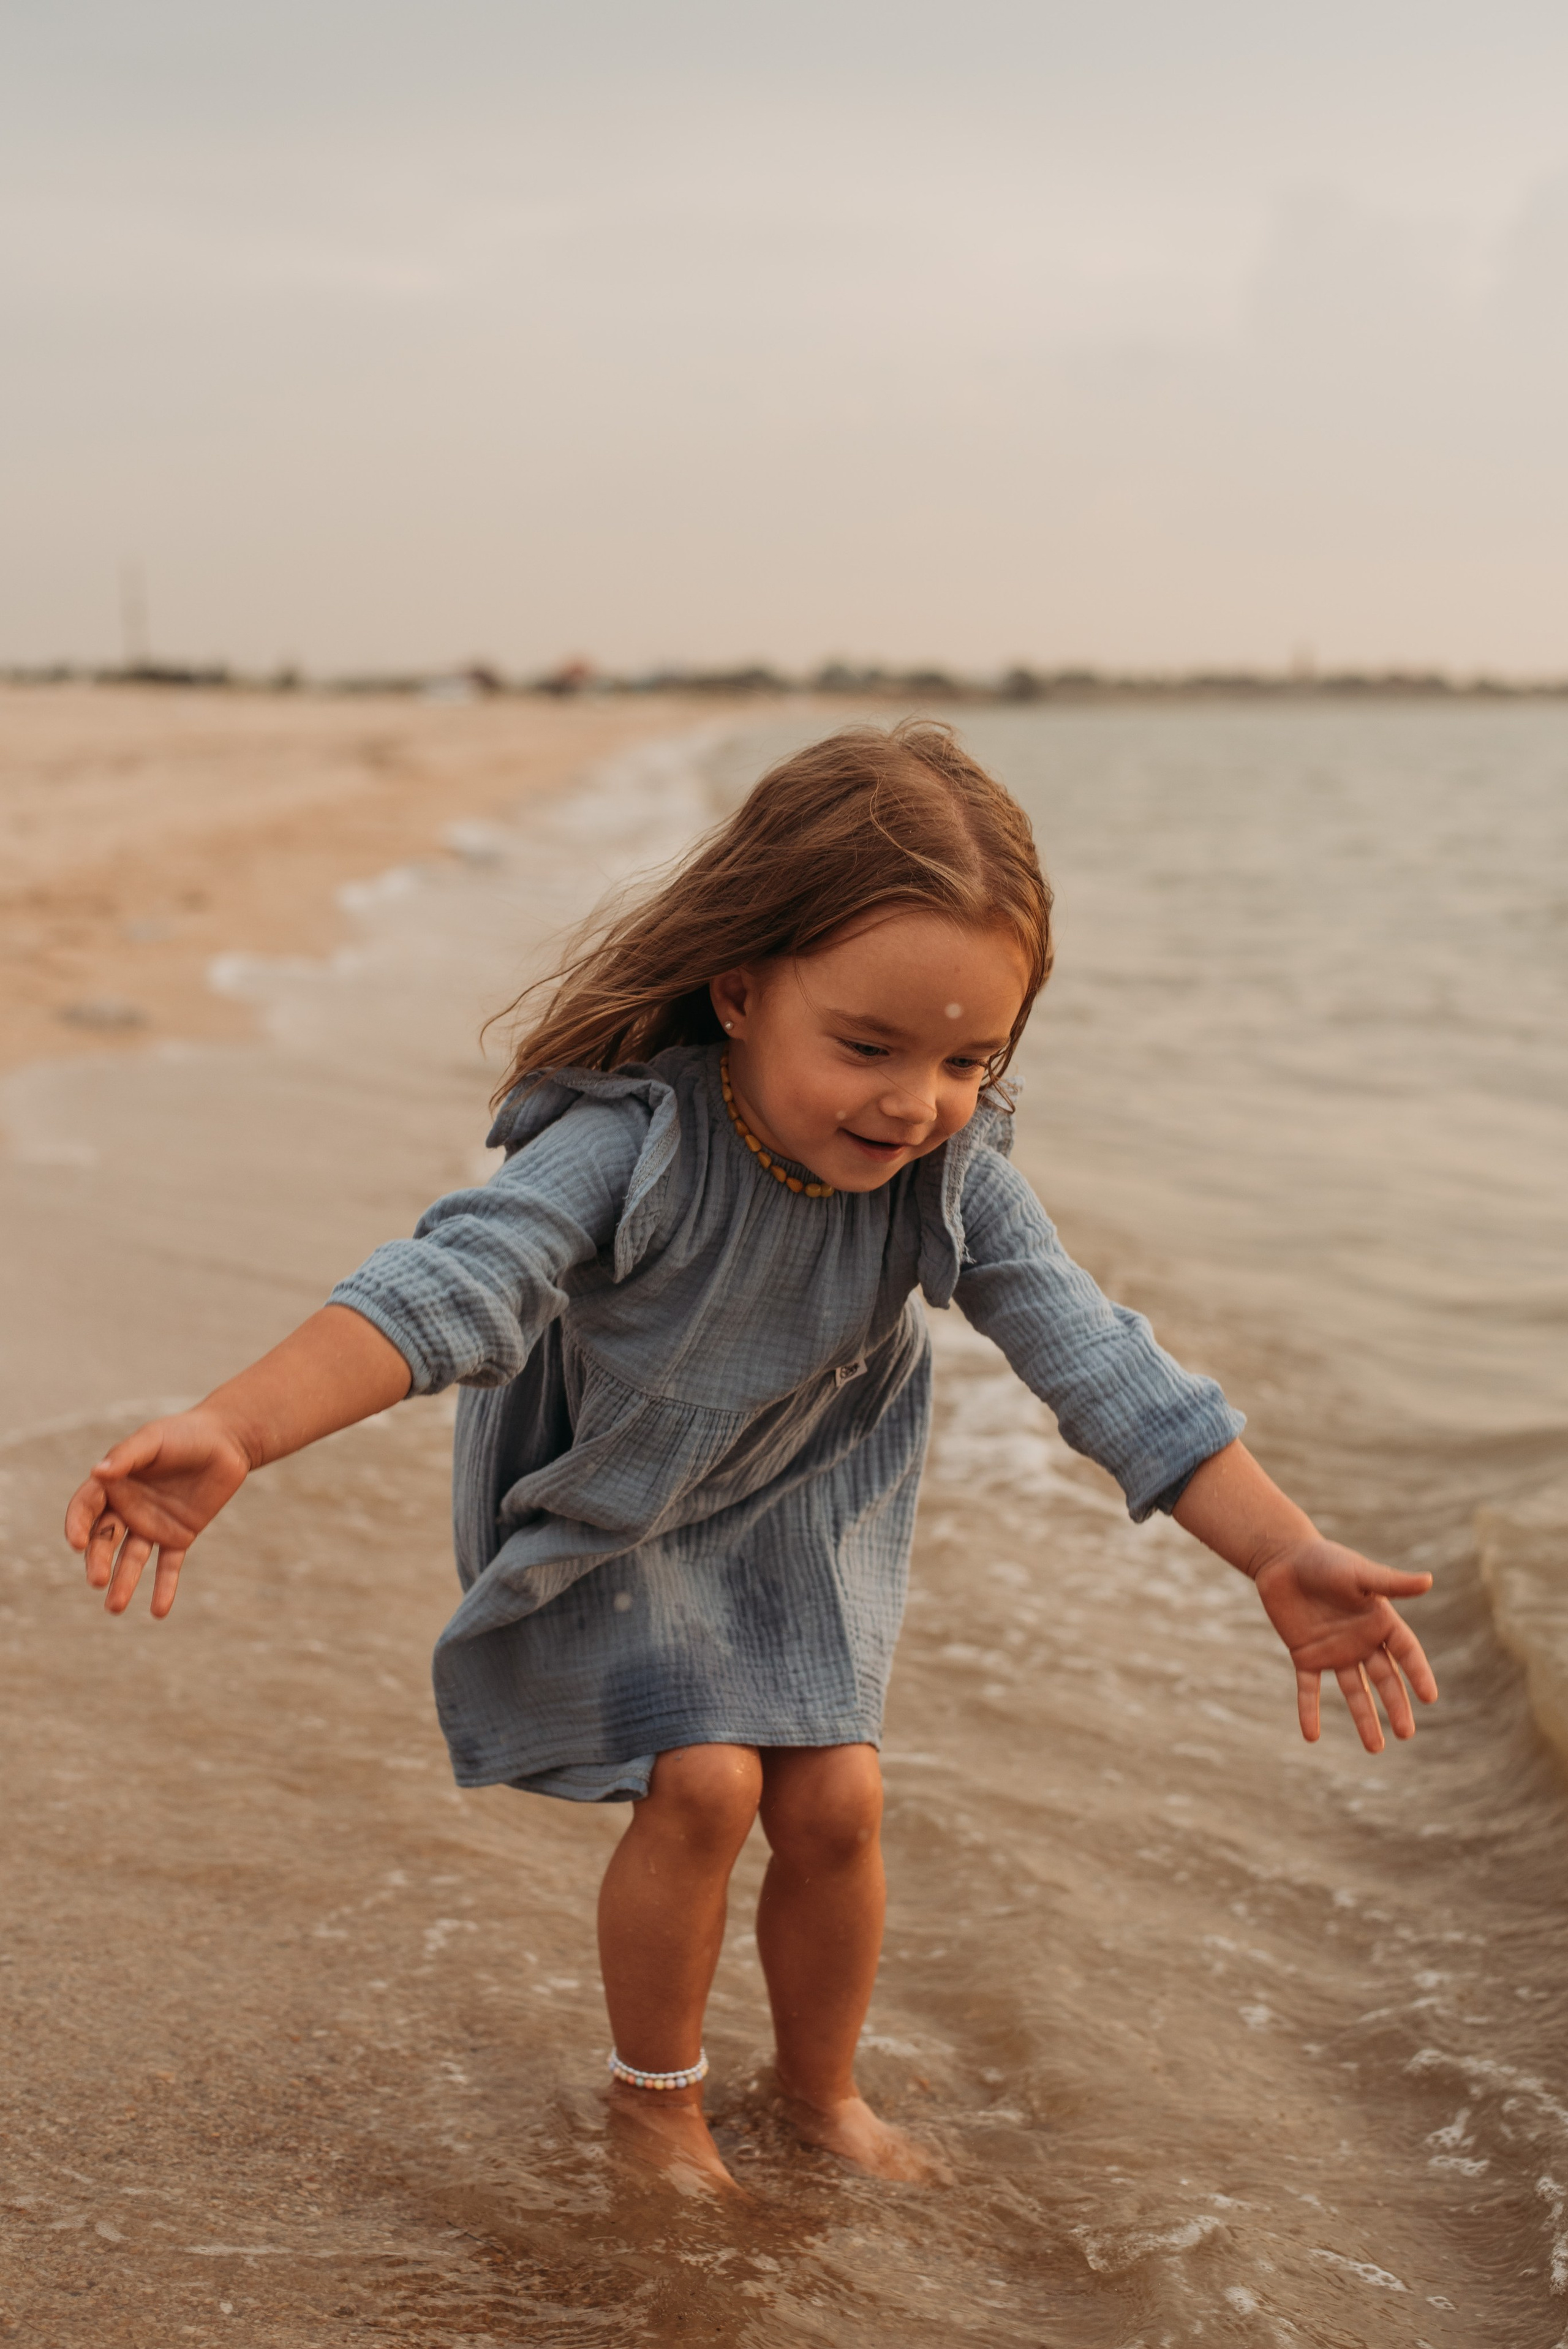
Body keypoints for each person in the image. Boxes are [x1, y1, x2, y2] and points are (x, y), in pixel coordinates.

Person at [64, 720, 1438, 2196]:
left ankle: (817, 2095)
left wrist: (1278, 1548)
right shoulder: (628, 1147)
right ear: (740, 989)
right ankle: (657, 2102)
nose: (914, 1102)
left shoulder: (948, 1181)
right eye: (868, 1048)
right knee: (708, 1783)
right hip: (619, 1496)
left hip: (803, 1504)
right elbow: (447, 1287)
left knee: (839, 1801)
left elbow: (1096, 1357)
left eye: (968, 1060)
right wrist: (237, 1426)